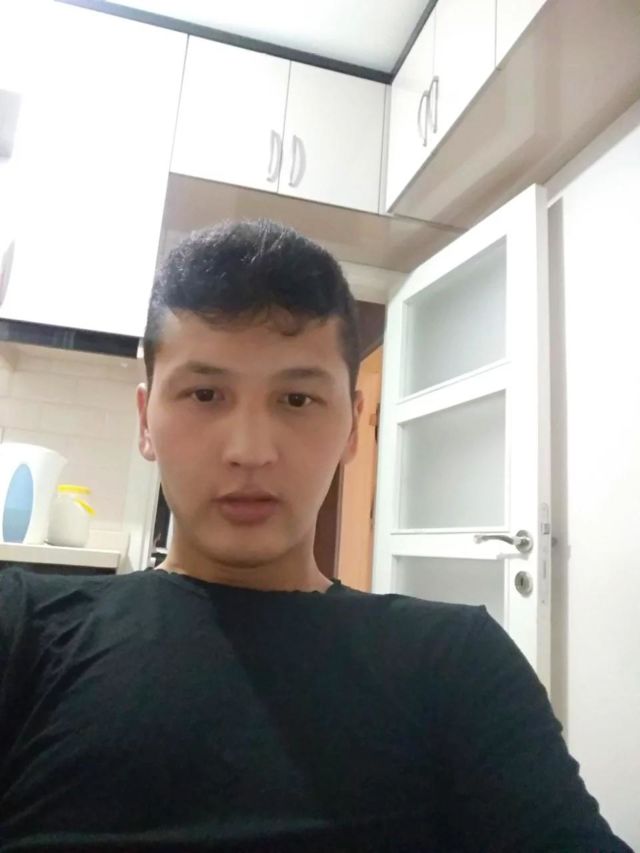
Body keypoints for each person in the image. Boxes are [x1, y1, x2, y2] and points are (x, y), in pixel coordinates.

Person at [0, 220, 632, 852]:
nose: (250, 451)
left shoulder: (455, 662)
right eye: (205, 394)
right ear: (146, 421)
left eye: (297, 400)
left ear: (353, 426)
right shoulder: (24, 627)